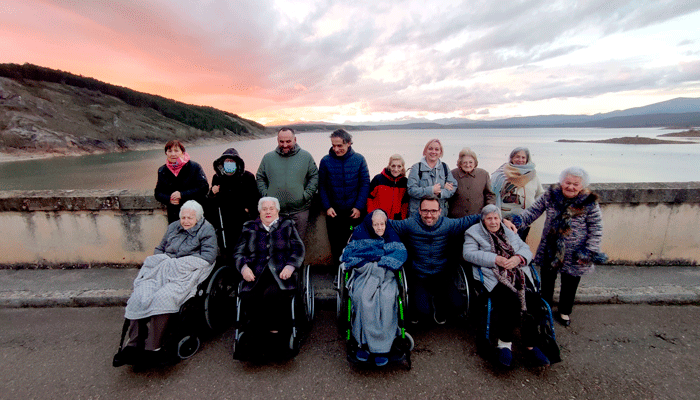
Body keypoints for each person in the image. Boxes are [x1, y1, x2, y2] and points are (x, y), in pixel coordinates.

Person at [114, 200, 217, 367]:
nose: (185, 221)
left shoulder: (206, 230)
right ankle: (134, 343)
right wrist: (164, 261)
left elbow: (208, 257)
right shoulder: (173, 227)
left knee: (164, 297)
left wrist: (176, 264)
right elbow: (160, 249)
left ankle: (154, 346)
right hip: (162, 269)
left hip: (185, 272)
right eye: (183, 217)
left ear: (198, 218)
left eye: (190, 217)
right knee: (140, 295)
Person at [389, 196, 515, 325]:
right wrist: (379, 215)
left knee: (458, 306)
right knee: (423, 312)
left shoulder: (448, 224)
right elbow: (387, 224)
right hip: (419, 274)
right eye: (425, 211)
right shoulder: (409, 224)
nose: (429, 215)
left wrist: (503, 220)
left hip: (441, 274)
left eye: (433, 211)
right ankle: (426, 304)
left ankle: (438, 304)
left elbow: (474, 218)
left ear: (440, 211)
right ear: (419, 211)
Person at [511, 167, 606, 327]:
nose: (571, 187)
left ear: (582, 186)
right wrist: (517, 221)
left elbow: (596, 228)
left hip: (576, 252)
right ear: (561, 182)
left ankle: (564, 311)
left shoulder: (589, 202)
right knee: (547, 283)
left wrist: (588, 252)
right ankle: (545, 310)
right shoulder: (550, 196)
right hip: (551, 248)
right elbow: (533, 212)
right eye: (568, 182)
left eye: (576, 184)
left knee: (570, 284)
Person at [462, 205, 550, 367]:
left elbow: (526, 250)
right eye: (489, 218)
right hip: (494, 277)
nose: (493, 222)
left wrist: (518, 258)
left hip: (518, 274)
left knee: (534, 301)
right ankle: (504, 345)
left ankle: (531, 345)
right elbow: (468, 254)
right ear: (483, 220)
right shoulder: (473, 232)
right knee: (509, 301)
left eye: (496, 218)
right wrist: (495, 259)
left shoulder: (509, 231)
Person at [341, 210, 408, 366]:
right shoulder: (360, 233)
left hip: (386, 275)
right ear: (370, 225)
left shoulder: (391, 234)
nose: (379, 228)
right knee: (363, 298)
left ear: (386, 224)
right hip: (364, 275)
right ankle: (363, 344)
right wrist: (367, 266)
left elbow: (400, 253)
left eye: (382, 224)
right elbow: (349, 256)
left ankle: (383, 347)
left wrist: (382, 265)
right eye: (376, 224)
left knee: (387, 298)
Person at [233, 197, 305, 335]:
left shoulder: (287, 225)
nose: (268, 212)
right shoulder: (249, 227)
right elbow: (238, 252)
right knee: (249, 296)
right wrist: (244, 268)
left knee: (271, 296)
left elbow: (299, 249)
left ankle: (274, 332)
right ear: (259, 211)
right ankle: (256, 331)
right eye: (264, 209)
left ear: (277, 210)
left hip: (280, 271)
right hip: (255, 272)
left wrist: (290, 266)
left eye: (271, 208)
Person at [319, 129, 370, 267]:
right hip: (334, 213)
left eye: (339, 145)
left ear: (348, 143)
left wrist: (359, 207)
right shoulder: (325, 161)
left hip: (354, 213)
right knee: (336, 245)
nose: (336, 149)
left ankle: (355, 273)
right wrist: (327, 207)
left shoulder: (359, 159)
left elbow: (365, 184)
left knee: (356, 243)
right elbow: (322, 186)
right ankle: (339, 273)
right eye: (333, 145)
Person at [256, 127, 319, 240]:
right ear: (277, 140)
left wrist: (306, 195)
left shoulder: (306, 156)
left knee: (298, 246)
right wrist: (267, 195)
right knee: (277, 246)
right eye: (281, 141)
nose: (285, 145)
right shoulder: (268, 158)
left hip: (300, 211)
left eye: (288, 141)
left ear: (295, 139)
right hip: (276, 213)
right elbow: (260, 178)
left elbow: (314, 176)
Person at [207, 148, 259, 259]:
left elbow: (254, 198)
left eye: (232, 161)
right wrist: (212, 193)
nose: (229, 164)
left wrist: (248, 211)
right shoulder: (217, 178)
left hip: (242, 219)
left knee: (245, 248)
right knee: (227, 250)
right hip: (225, 222)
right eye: (227, 161)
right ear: (222, 163)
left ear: (237, 162)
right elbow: (212, 202)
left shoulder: (248, 177)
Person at [491, 147, 544, 240]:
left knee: (521, 246)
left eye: (523, 157)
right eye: (517, 157)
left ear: (527, 159)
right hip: (505, 220)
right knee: (506, 247)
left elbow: (540, 194)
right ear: (511, 158)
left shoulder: (532, 175)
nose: (520, 160)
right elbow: (492, 194)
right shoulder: (501, 174)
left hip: (526, 219)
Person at [154, 140, 209, 223]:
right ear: (166, 153)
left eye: (176, 151)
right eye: (170, 151)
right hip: (174, 215)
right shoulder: (162, 170)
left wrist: (182, 195)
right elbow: (158, 193)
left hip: (194, 214)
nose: (173, 154)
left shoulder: (194, 167)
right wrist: (169, 199)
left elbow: (204, 188)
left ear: (182, 152)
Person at [407, 139, 457, 217]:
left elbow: (453, 187)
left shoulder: (445, 167)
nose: (433, 152)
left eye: (437, 149)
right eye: (430, 149)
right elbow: (411, 190)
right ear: (425, 151)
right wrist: (431, 190)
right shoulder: (416, 168)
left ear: (440, 153)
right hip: (418, 215)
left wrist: (440, 192)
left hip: (439, 215)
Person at [448, 147, 495, 218]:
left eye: (470, 162)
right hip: (456, 219)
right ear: (460, 163)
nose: (467, 165)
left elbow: (489, 195)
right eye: (465, 162)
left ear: (475, 163)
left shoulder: (483, 174)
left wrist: (489, 211)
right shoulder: (452, 174)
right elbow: (447, 195)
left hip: (478, 217)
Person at [366, 154, 409, 220]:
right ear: (389, 166)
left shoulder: (404, 182)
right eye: (393, 166)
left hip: (395, 221)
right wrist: (372, 214)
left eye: (399, 166)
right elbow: (369, 198)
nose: (396, 169)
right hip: (378, 219)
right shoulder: (378, 179)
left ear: (402, 167)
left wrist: (402, 218)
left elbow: (405, 204)